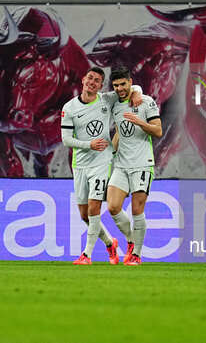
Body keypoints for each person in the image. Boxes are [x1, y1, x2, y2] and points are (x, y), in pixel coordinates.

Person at [62, 67, 142, 265]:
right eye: (90, 78)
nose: (92, 82)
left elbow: (129, 88)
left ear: (100, 86)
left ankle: (87, 255)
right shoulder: (69, 107)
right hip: (80, 165)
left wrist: (138, 91)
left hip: (102, 162)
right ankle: (110, 243)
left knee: (94, 207)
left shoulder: (107, 100)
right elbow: (65, 140)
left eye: (97, 80)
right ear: (83, 79)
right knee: (84, 214)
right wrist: (87, 145)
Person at [106, 67, 162, 266]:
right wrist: (109, 155)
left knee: (137, 209)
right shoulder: (114, 104)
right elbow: (120, 132)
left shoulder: (145, 101)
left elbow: (158, 131)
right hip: (121, 164)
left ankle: (136, 254)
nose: (120, 88)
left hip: (142, 164)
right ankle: (131, 240)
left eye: (123, 84)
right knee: (112, 206)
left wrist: (140, 122)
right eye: (116, 85)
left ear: (130, 82)